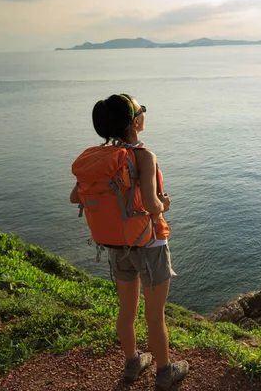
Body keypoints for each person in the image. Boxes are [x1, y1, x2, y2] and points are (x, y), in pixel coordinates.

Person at [70, 94, 188, 390]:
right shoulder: (144, 156)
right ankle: (164, 372)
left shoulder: (98, 158)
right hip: (148, 243)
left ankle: (133, 362)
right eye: (142, 110)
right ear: (135, 122)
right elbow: (150, 204)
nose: (144, 113)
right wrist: (165, 204)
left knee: (126, 310)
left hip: (117, 245)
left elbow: (75, 196)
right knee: (154, 314)